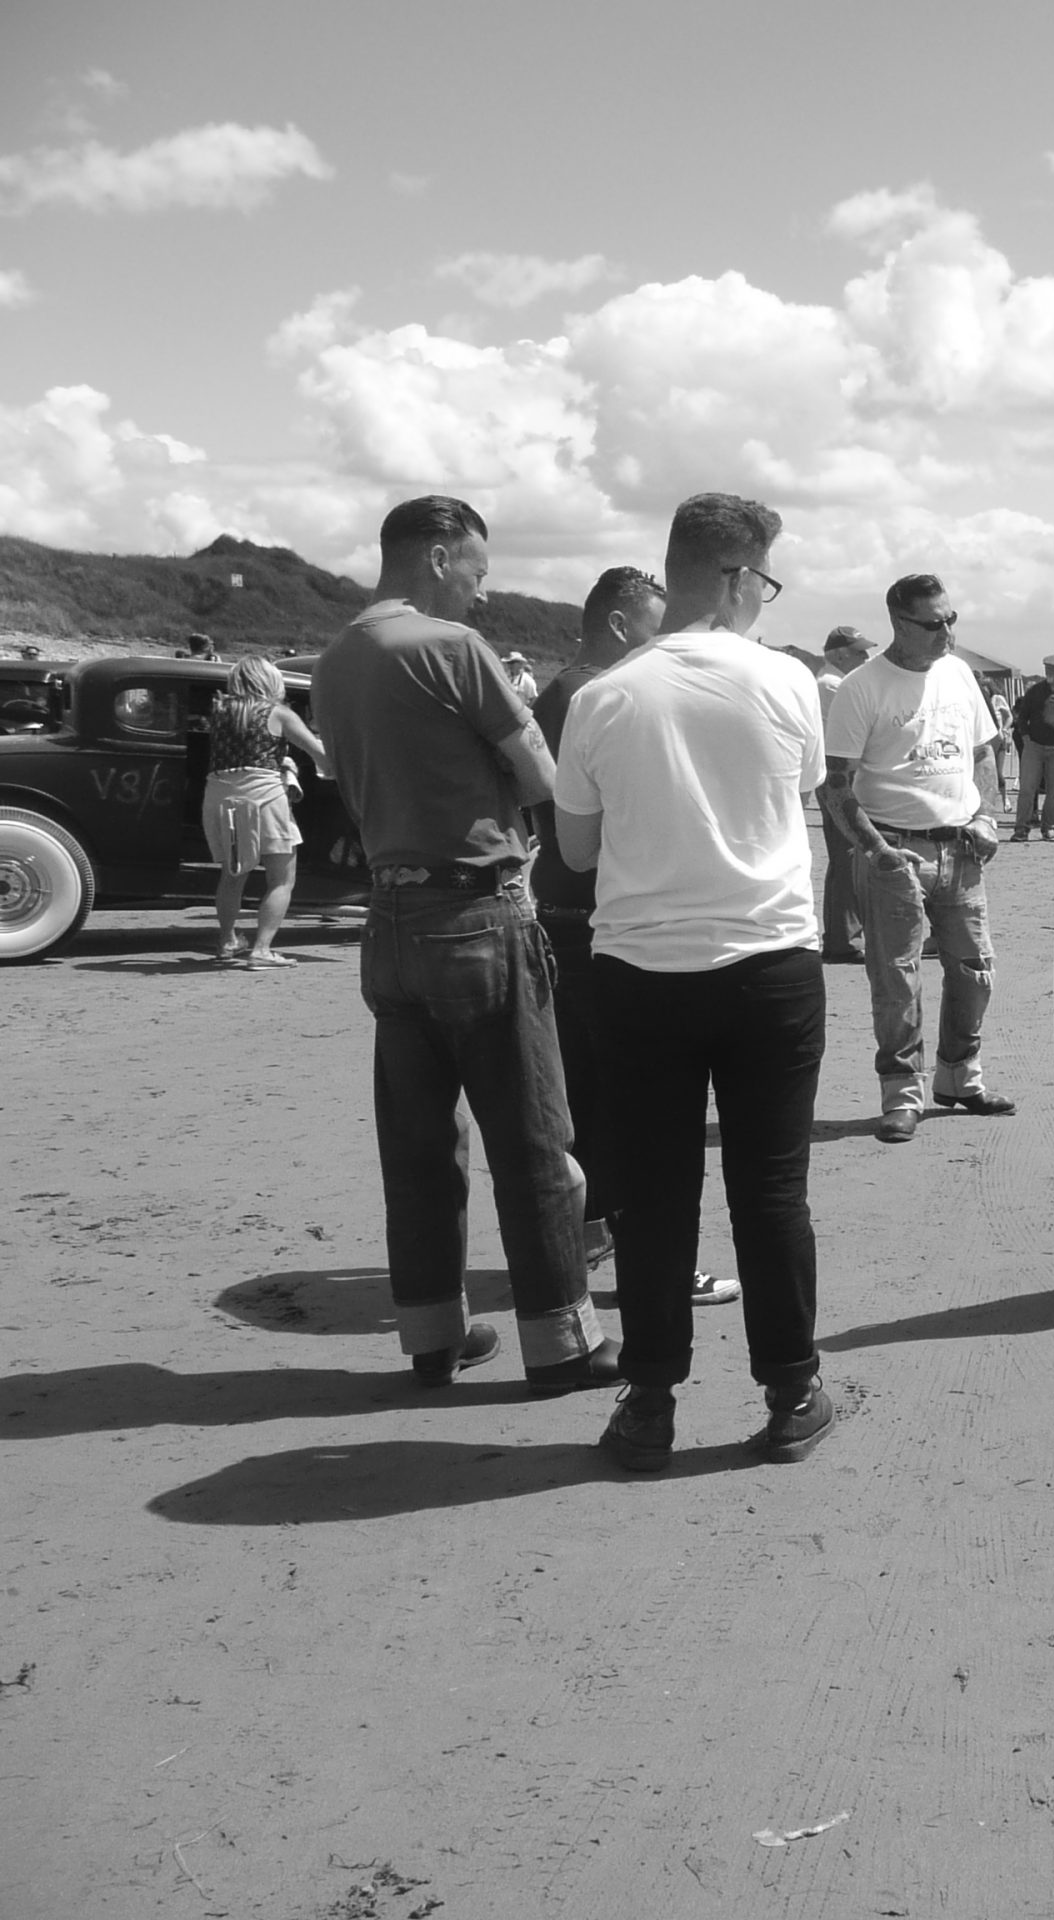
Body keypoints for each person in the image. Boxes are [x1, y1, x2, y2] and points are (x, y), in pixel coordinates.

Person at [309, 494, 619, 1396]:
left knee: (417, 1146)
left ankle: (432, 1336)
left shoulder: (335, 659)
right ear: (439, 556)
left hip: (389, 918)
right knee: (533, 1141)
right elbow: (544, 778)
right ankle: (561, 1344)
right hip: (478, 914)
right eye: (478, 572)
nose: (483, 592)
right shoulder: (450, 647)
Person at [553, 492, 834, 1471]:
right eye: (768, 581)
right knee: (772, 1190)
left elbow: (576, 851)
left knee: (653, 1194)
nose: (767, 598)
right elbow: (801, 792)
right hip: (770, 963)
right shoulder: (787, 681)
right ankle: (791, 1391)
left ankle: (650, 1403)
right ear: (735, 578)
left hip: (641, 971)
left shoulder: (604, 695)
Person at [530, 567, 742, 1311]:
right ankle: (654, 1263)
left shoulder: (569, 692)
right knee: (632, 1110)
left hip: (570, 912)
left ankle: (597, 1239)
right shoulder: (591, 693)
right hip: (595, 920)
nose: (667, 643)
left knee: (593, 1099)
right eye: (657, 626)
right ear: (620, 625)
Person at [822, 572, 1012, 1145]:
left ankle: (960, 1076)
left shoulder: (958, 673)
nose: (946, 633)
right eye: (932, 624)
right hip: (895, 851)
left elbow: (983, 754)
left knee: (975, 970)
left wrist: (986, 817)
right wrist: (875, 850)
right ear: (898, 623)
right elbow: (835, 783)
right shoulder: (862, 687)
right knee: (897, 980)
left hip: (962, 847)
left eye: (951, 619)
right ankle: (903, 1093)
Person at [201, 656, 330, 967]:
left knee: (233, 874)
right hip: (263, 797)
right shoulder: (279, 714)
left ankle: (227, 941)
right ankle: (261, 949)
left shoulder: (220, 712)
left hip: (220, 796)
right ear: (270, 680)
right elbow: (320, 755)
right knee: (281, 878)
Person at [814, 626, 874, 965]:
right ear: (839, 654)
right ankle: (843, 939)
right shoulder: (832, 685)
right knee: (848, 856)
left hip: (840, 776)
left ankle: (844, 936)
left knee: (847, 855)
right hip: (840, 779)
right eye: (858, 652)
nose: (865, 658)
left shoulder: (833, 682)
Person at [1010, 652, 1054, 840]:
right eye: (1047, 669)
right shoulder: (1035, 691)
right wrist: (1026, 738)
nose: (1049, 673)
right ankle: (1021, 828)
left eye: (1053, 669)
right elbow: (1022, 716)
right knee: (1027, 789)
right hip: (1034, 747)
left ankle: (1049, 827)